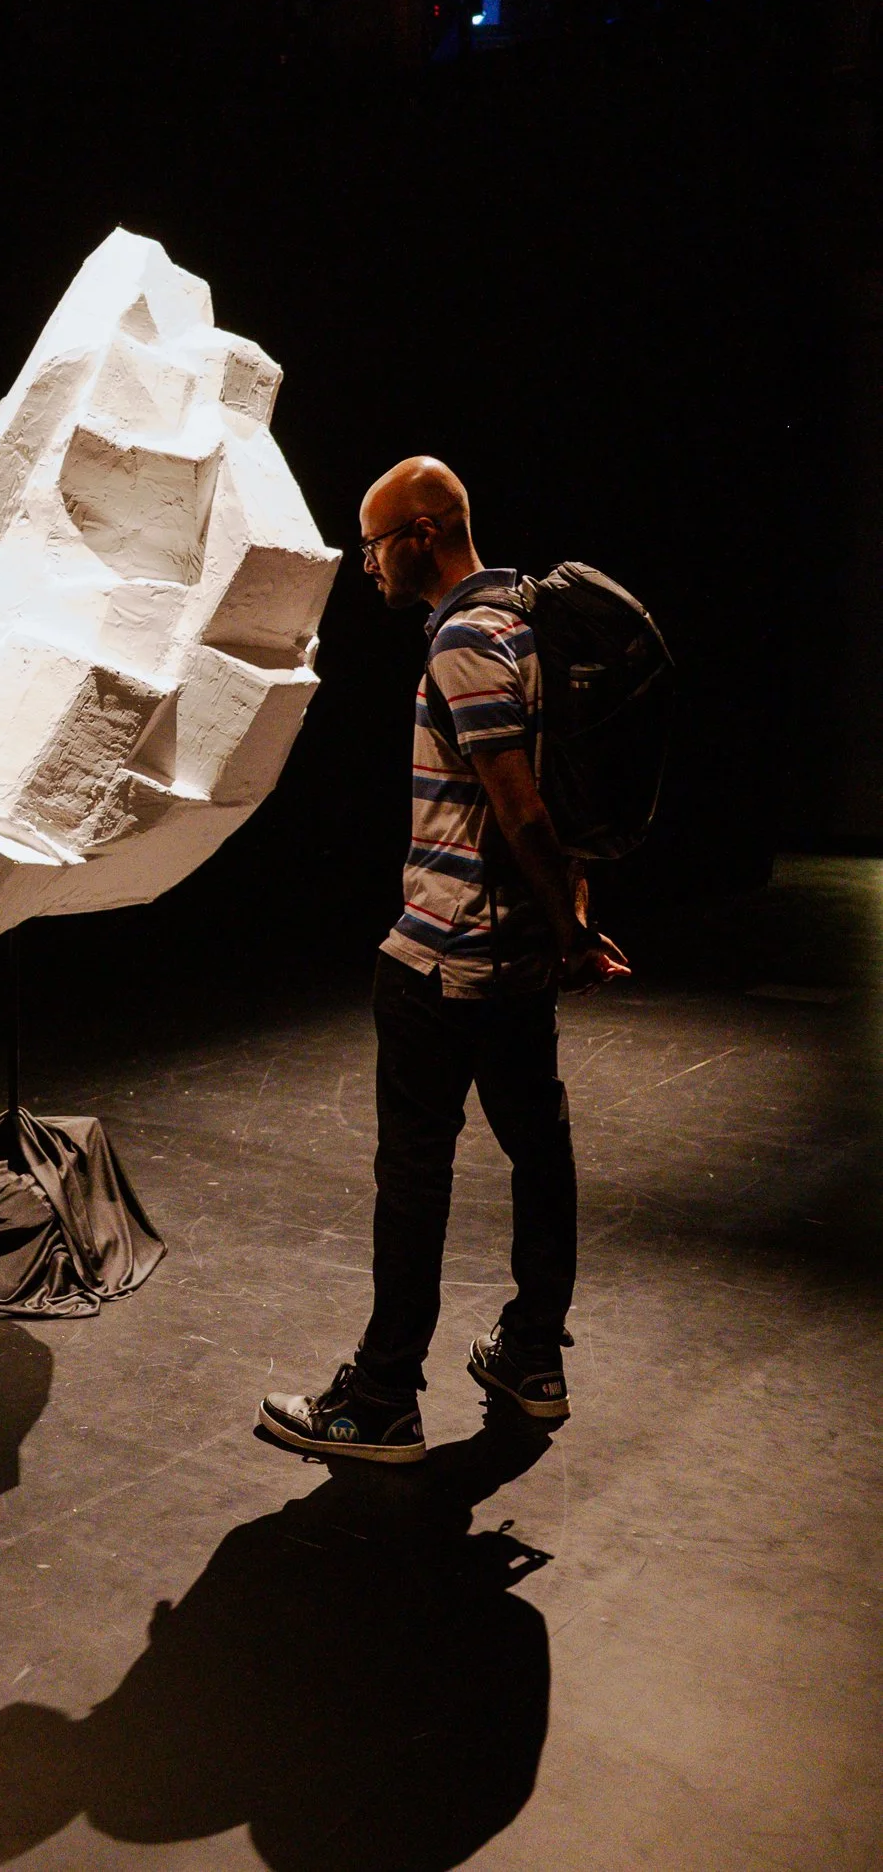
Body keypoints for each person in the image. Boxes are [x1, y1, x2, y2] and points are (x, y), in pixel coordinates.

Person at [260, 457, 628, 1464]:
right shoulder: (529, 626)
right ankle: (532, 1358)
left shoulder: (466, 639)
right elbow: (565, 796)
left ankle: (381, 1398)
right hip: (513, 961)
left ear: (422, 534)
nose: (366, 564)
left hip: (443, 959)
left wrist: (570, 931)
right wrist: (564, 923)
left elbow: (521, 809)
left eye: (374, 543)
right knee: (538, 1151)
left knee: (415, 1176)